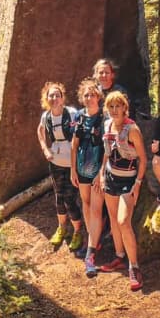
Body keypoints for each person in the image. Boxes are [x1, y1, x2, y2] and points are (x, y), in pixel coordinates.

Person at [100, 90, 147, 291]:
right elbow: (106, 152)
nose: (114, 110)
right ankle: (119, 256)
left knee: (123, 221)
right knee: (112, 219)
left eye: (118, 106)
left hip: (128, 181)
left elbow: (143, 159)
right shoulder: (107, 125)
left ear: (124, 108)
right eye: (111, 106)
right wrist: (101, 174)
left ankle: (134, 266)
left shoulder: (132, 129)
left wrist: (138, 183)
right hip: (111, 177)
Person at [37, 82, 83, 251]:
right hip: (55, 161)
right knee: (59, 196)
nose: (54, 98)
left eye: (57, 95)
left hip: (72, 162)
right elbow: (40, 131)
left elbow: (79, 136)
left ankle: (78, 231)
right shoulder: (46, 116)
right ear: (46, 99)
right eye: (51, 95)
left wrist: (75, 165)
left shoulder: (71, 114)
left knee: (70, 198)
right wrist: (45, 149)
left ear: (62, 98)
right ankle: (62, 227)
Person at [69, 80, 106, 273]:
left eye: (92, 95)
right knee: (86, 203)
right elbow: (74, 146)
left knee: (96, 209)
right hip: (82, 169)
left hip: (98, 171)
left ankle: (90, 253)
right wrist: (72, 170)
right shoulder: (80, 118)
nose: (89, 98)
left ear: (98, 97)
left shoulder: (104, 117)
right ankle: (93, 238)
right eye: (86, 95)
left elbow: (108, 148)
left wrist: (101, 174)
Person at [94, 58, 148, 122]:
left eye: (107, 73)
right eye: (101, 72)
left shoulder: (120, 92)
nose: (104, 75)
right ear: (96, 75)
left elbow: (128, 113)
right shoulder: (94, 92)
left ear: (112, 75)